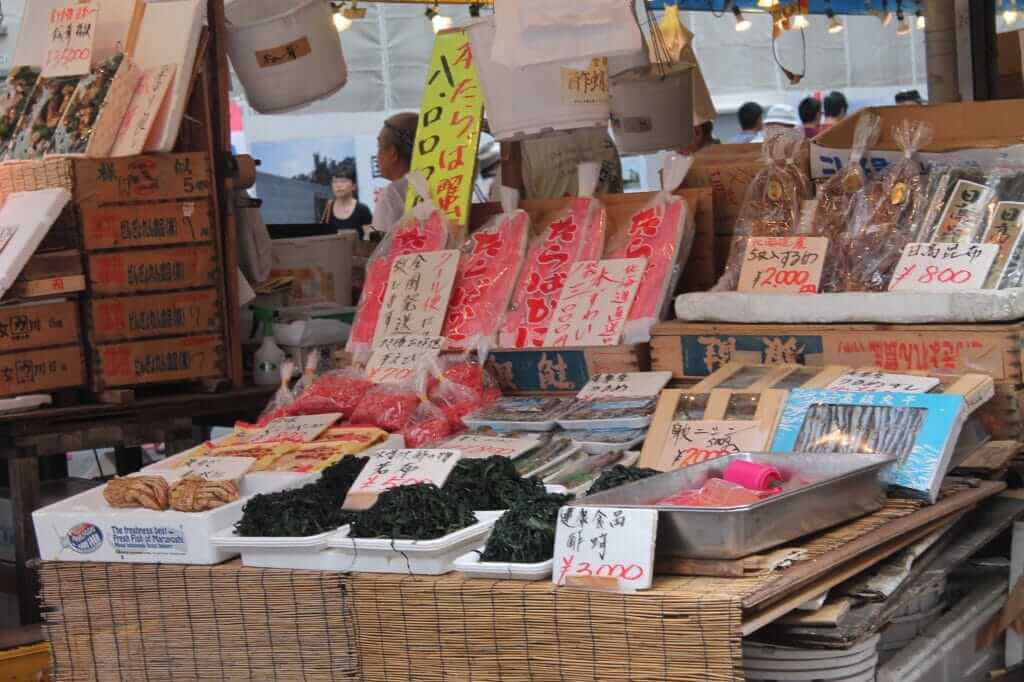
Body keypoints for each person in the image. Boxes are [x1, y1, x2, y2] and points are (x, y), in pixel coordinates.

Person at [370, 112, 418, 233]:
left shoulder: (391, 195)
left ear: (392, 153)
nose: (377, 155)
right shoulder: (436, 184)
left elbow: (379, 248)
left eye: (379, 146)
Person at [320, 166, 372, 239]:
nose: (338, 185)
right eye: (335, 182)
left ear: (354, 186)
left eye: (343, 181)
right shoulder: (328, 208)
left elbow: (369, 237)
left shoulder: (362, 210)